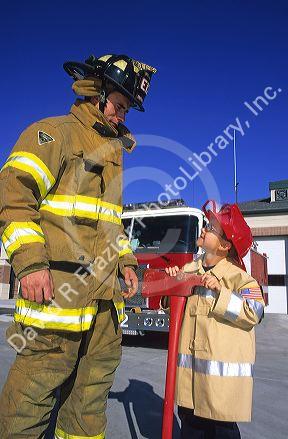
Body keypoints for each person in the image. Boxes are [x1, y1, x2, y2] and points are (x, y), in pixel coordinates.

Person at [0, 53, 156, 438]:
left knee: (87, 408)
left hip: (104, 308)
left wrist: (127, 263)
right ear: (95, 91)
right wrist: (31, 264)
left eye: (126, 109)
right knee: (28, 407)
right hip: (58, 301)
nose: (123, 116)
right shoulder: (53, 134)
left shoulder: (113, 155)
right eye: (120, 106)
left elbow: (109, 225)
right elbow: (14, 198)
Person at [165, 200, 265, 439]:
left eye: (210, 228)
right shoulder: (190, 270)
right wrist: (172, 286)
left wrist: (222, 293)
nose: (203, 229)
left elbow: (256, 311)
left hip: (220, 392)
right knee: (190, 430)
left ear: (224, 245)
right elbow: (173, 309)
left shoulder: (239, 278)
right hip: (190, 387)